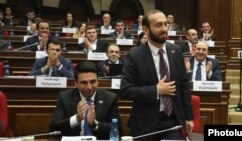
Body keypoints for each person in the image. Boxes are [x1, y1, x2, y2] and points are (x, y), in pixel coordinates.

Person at [120, 10, 194, 140]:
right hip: (145, 123)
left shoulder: (176, 51)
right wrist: (156, 90)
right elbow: (126, 90)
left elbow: (184, 86)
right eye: (159, 25)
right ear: (146, 30)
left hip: (172, 122)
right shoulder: (134, 56)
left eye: (166, 24)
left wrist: (188, 117)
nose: (164, 29)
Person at [49, 61, 122, 139]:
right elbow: (54, 128)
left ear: (98, 81)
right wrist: (76, 119)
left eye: (93, 82)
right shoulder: (65, 97)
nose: (89, 87)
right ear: (76, 83)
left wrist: (95, 124)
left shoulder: (110, 98)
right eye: (84, 83)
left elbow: (118, 130)